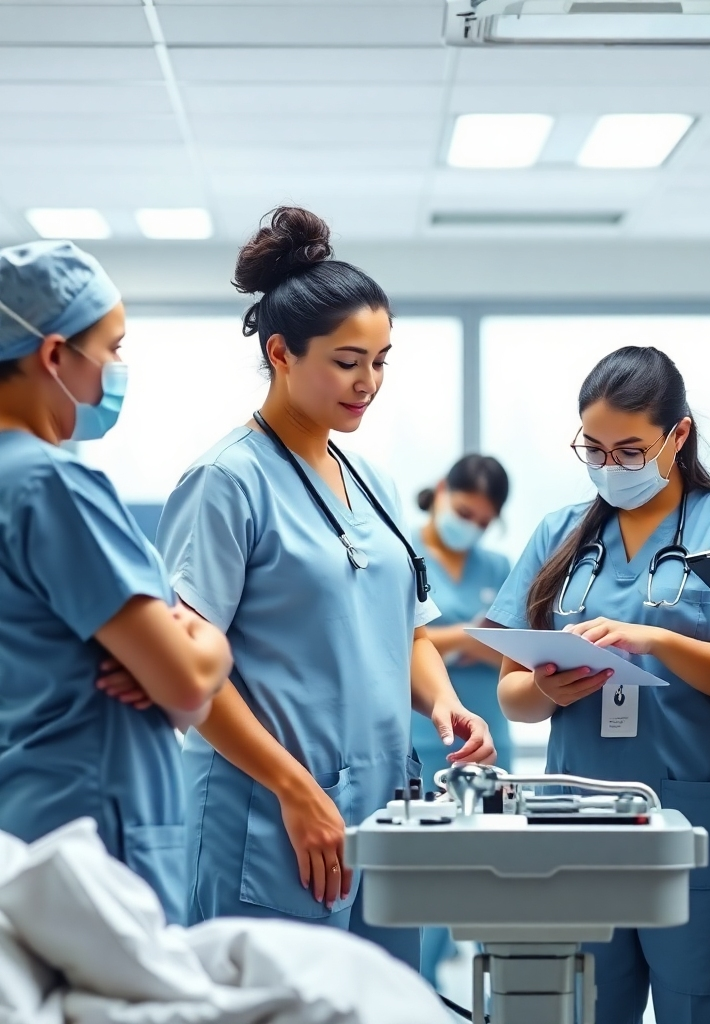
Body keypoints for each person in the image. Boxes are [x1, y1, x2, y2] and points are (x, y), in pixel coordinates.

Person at [156, 206, 495, 969]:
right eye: (347, 361)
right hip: (268, 811)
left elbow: (404, 630)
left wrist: (444, 702)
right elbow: (188, 676)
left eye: (381, 361)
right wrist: (295, 789)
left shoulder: (367, 481)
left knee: (383, 999)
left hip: (380, 815)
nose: (368, 383)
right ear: (281, 352)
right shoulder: (225, 482)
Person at [488, 345, 710, 1024]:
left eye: (629, 451)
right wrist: (545, 691)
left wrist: (655, 640)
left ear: (678, 436)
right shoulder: (561, 535)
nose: (609, 467)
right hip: (578, 829)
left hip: (695, 829)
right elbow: (512, 689)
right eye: (592, 449)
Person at [0, 240, 231, 924]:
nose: (119, 368)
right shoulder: (51, 486)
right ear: (53, 356)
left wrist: (173, 665)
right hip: (95, 828)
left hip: (26, 815)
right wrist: (208, 641)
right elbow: (187, 685)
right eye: (112, 347)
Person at [412, 454, 512, 987]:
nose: (469, 526)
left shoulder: (499, 569)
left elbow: (514, 649)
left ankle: (505, 997)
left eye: (482, 520)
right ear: (441, 488)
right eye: (464, 510)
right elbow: (402, 640)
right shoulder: (401, 550)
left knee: (491, 879)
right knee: (423, 883)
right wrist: (468, 637)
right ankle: (416, 995)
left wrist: (449, 639)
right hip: (421, 740)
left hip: (487, 742)